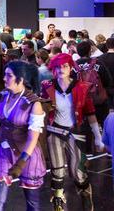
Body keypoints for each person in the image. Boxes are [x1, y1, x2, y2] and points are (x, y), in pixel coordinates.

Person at [41, 53, 103, 211]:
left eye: (65, 66)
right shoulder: (47, 86)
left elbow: (90, 113)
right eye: (57, 67)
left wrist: (98, 137)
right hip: (54, 131)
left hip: (75, 133)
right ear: (53, 69)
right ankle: (58, 200)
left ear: (70, 68)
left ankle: (85, 194)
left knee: (78, 172)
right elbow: (41, 108)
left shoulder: (81, 87)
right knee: (57, 170)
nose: (61, 69)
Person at [0, 61, 46, 211]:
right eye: (5, 75)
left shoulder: (34, 103)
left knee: (33, 204)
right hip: (3, 151)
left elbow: (33, 138)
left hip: (27, 155)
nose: (4, 78)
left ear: (21, 79)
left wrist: (21, 162)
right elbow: (1, 124)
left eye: (9, 76)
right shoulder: (4, 96)